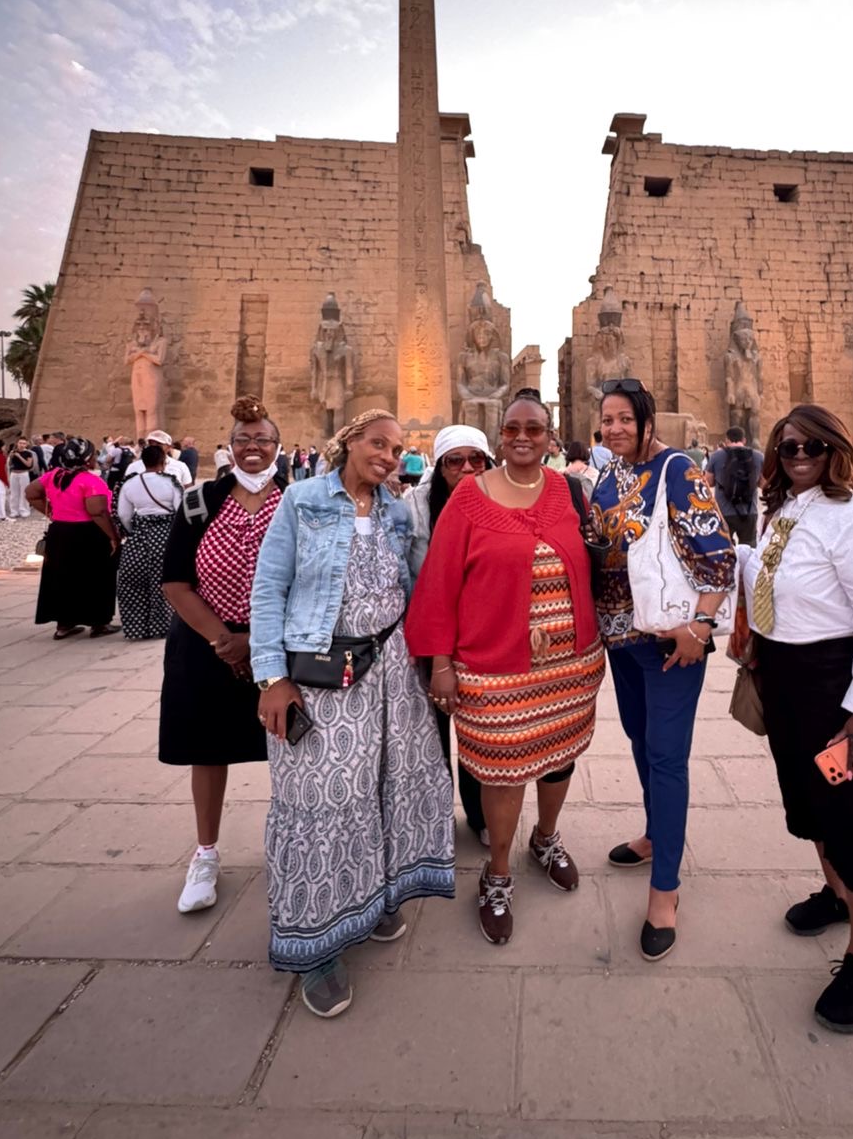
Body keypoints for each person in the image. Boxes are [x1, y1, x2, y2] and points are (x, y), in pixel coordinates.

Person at [253, 410, 455, 1018]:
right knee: (321, 800)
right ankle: (314, 945)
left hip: (391, 673)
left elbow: (414, 587)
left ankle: (372, 897)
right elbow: (268, 589)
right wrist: (272, 677)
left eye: (397, 448)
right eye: (378, 443)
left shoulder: (397, 510)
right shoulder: (302, 500)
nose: (389, 456)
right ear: (349, 442)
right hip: (320, 675)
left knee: (385, 789)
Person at [739, 404, 853, 1034]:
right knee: (813, 803)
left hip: (845, 695)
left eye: (811, 446)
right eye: (787, 447)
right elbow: (771, 577)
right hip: (793, 690)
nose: (799, 456)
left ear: (836, 449)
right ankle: (838, 896)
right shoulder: (785, 512)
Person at [406, 391, 604, 946]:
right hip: (494, 668)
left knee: (559, 756)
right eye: (512, 428)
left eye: (533, 429)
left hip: (568, 667)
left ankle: (545, 837)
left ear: (549, 436)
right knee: (502, 769)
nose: (522, 437)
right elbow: (440, 584)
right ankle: (497, 871)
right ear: (500, 436)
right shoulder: (469, 497)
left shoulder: (567, 491)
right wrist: (441, 664)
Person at [592, 379, 735, 960]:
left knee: (667, 756)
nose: (615, 428)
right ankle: (656, 834)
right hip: (620, 640)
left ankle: (665, 889)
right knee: (639, 739)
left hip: (670, 642)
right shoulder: (608, 476)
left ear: (646, 421)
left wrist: (700, 628)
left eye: (625, 419)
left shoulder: (678, 470)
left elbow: (719, 555)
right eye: (607, 419)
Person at [159, 397, 281, 914]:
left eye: (262, 440)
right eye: (243, 440)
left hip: (275, 647)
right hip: (206, 644)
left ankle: (293, 846)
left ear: (277, 447)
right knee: (208, 749)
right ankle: (205, 853)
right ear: (229, 447)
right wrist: (225, 640)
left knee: (291, 748)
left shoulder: (297, 501)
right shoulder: (199, 502)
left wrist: (256, 640)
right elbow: (175, 581)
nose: (253, 448)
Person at [408, 424, 494, 845]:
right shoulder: (415, 506)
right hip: (433, 634)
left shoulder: (502, 497)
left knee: (481, 735)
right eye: (455, 461)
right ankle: (436, 817)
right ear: (440, 467)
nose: (466, 468)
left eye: (476, 459)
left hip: (483, 636)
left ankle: (481, 815)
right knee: (432, 732)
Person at [27, 439, 120, 639]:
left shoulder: (54, 476)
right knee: (96, 577)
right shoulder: (91, 481)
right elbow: (97, 512)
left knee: (62, 577)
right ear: (87, 459)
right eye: (93, 455)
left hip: (60, 532)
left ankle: (64, 624)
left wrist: (52, 513)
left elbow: (31, 493)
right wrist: (113, 536)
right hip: (88, 534)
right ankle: (99, 622)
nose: (95, 458)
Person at [117, 442, 183, 641]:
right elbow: (180, 511)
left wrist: (133, 532)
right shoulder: (171, 482)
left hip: (139, 536)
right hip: (166, 537)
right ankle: (164, 626)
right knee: (163, 581)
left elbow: (124, 515)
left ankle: (137, 627)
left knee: (133, 582)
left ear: (142, 461)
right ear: (163, 462)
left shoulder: (129, 484)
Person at [706, 426, 764, 546]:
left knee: (724, 547)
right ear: (744, 440)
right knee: (749, 548)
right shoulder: (758, 456)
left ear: (727, 440)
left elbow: (708, 482)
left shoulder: (716, 456)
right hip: (749, 511)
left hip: (724, 511)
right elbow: (763, 483)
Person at [125, 430, 192, 488]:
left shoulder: (180, 466)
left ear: (168, 447)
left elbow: (188, 489)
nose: (154, 447)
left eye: (159, 444)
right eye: (150, 444)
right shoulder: (133, 467)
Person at [7, 436, 36, 517]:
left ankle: (24, 510)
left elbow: (28, 464)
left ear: (26, 444)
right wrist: (11, 456)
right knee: (14, 493)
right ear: (17, 443)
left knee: (24, 492)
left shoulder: (28, 453)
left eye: (24, 443)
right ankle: (14, 511)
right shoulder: (13, 452)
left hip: (23, 473)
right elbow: (9, 464)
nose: (22, 445)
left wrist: (19, 456)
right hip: (14, 473)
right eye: (20, 443)